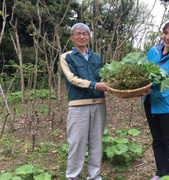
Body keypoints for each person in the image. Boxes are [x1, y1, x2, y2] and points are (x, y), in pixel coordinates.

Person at [60, 22, 109, 180]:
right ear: (72, 37)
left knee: (97, 143)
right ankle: (73, 177)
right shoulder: (66, 57)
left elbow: (104, 78)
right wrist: (95, 85)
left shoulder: (97, 58)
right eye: (78, 33)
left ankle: (94, 176)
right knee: (77, 144)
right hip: (78, 106)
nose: (82, 36)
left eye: (85, 33)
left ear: (89, 36)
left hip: (98, 105)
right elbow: (72, 79)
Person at [143, 20, 169, 180]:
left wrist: (152, 88)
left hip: (165, 105)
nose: (168, 37)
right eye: (165, 33)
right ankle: (159, 172)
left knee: (168, 140)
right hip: (149, 102)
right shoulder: (152, 52)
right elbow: (144, 71)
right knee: (156, 139)